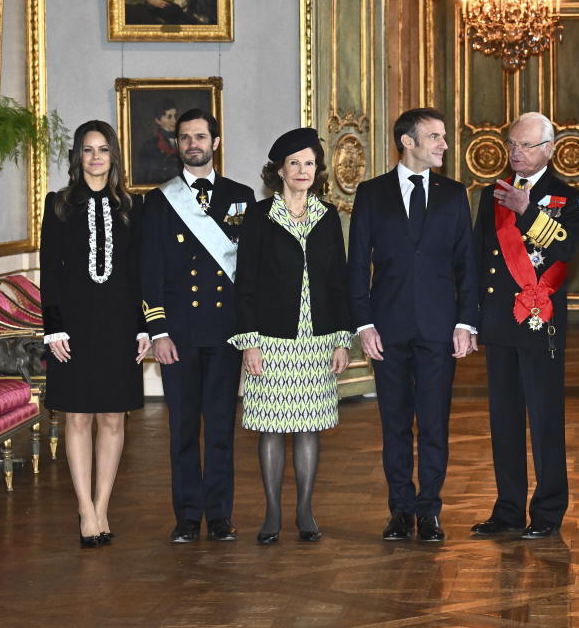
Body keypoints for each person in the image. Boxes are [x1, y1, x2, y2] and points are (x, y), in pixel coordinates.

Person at [347, 108, 477, 542]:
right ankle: (400, 509)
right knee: (395, 423)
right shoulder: (371, 193)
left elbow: (467, 266)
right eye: (434, 137)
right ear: (407, 141)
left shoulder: (454, 194)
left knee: (435, 423)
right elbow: (356, 265)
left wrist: (465, 322)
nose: (443, 144)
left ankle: (430, 510)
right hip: (387, 329)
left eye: (443, 136)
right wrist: (363, 323)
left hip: (440, 330)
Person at [231, 128, 351, 544]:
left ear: (318, 171)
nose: (302, 170)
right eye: (294, 163)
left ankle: (305, 511)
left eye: (309, 163)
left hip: (317, 339)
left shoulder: (328, 216)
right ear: (279, 170)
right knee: (270, 427)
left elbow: (339, 281)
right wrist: (249, 342)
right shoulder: (259, 218)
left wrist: (341, 339)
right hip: (271, 339)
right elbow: (243, 282)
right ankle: (271, 512)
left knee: (308, 427)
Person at [141, 109, 256, 543]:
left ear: (216, 143)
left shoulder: (241, 196)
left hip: (226, 333)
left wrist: (249, 334)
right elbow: (148, 272)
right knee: (184, 429)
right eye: (185, 137)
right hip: (181, 336)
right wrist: (159, 332)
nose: (193, 144)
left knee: (222, 428)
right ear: (177, 145)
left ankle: (220, 515)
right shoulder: (159, 201)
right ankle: (188, 515)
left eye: (201, 136)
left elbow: (248, 273)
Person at [471, 112, 579, 540]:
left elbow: (567, 248)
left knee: (544, 418)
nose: (516, 153)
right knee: (503, 420)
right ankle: (508, 509)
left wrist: (528, 213)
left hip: (542, 323)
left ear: (549, 150)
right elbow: (481, 259)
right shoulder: (492, 194)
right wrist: (474, 317)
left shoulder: (567, 197)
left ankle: (549, 510)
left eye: (526, 146)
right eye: (512, 145)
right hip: (500, 321)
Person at [40, 120, 149, 547]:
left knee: (112, 418)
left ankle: (103, 506)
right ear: (78, 156)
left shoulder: (132, 207)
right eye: (88, 149)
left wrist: (144, 326)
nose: (96, 156)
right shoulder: (58, 204)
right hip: (74, 327)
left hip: (120, 326)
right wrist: (54, 328)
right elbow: (50, 271)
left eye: (103, 149)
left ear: (113, 156)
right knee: (78, 416)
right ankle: (84, 508)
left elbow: (139, 273)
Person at [135, 100, 180, 185]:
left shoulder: (183, 143)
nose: (174, 121)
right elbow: (142, 178)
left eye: (175, 116)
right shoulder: (148, 146)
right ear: (158, 120)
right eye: (169, 117)